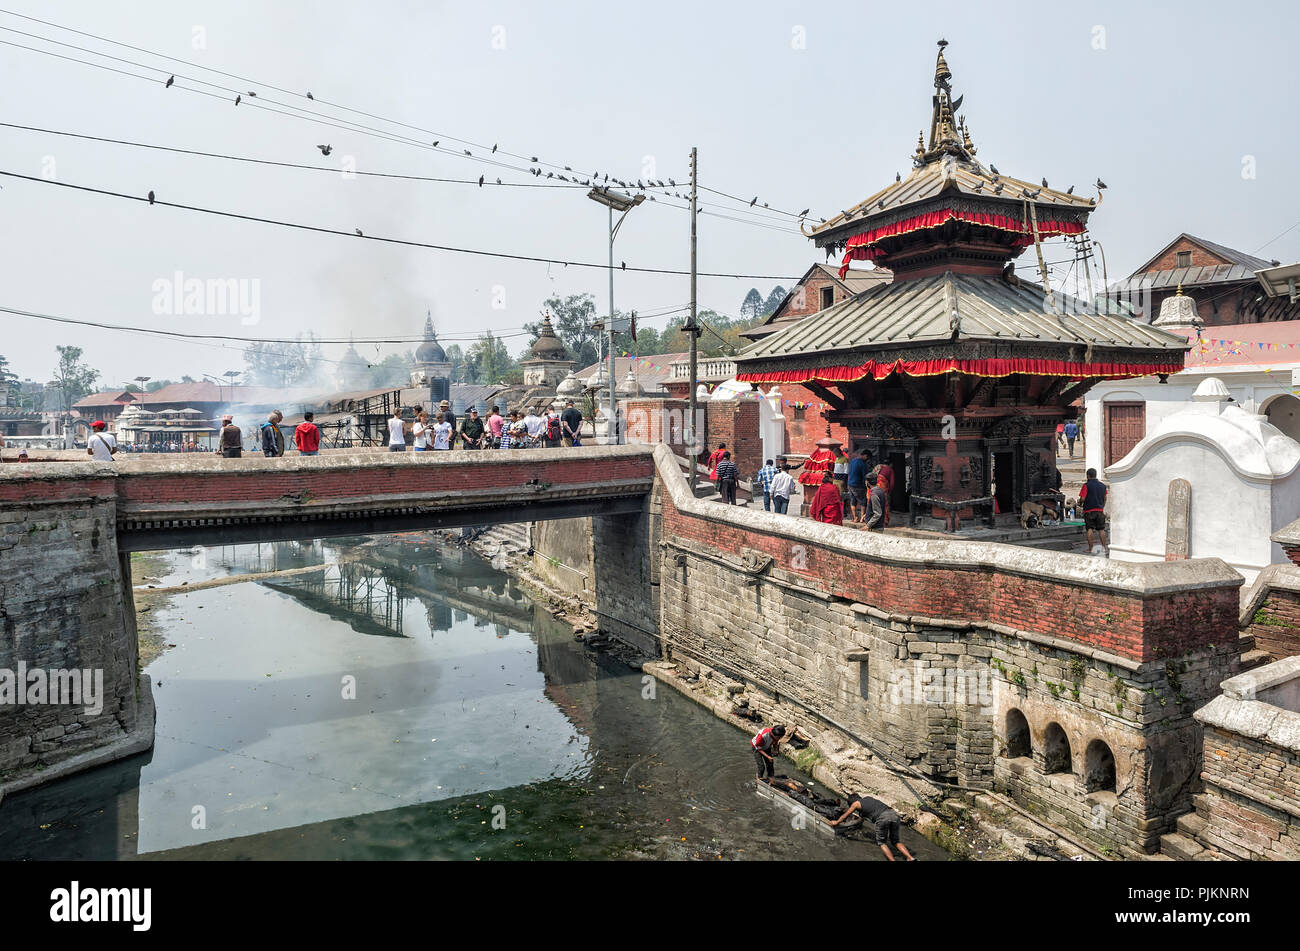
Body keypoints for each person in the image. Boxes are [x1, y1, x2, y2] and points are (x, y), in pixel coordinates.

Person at [828, 794, 915, 861]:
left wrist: (836, 822)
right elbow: (867, 815)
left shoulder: (856, 804)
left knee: (882, 843)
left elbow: (846, 815)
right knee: (895, 841)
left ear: (852, 802)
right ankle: (911, 858)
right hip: (893, 814)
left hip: (883, 818)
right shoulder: (868, 798)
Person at [1080, 467, 1108, 553]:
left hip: (1089, 510)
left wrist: (1080, 502)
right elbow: (1105, 498)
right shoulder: (1103, 486)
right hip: (1099, 510)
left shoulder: (1086, 485)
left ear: (1088, 476)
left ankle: (1090, 548)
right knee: (1101, 529)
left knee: (1090, 529)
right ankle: (1104, 548)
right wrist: (1102, 506)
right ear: (1095, 475)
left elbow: (1083, 498)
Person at [847, 448, 870, 523]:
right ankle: (862, 518)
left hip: (850, 484)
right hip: (858, 485)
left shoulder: (853, 461)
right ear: (865, 456)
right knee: (863, 501)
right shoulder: (862, 464)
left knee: (853, 501)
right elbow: (865, 476)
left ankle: (855, 518)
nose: (868, 459)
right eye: (868, 458)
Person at [874, 460, 895, 526]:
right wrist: (889, 491)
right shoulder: (890, 469)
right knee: (884, 504)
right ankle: (884, 522)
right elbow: (892, 483)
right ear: (890, 464)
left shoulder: (878, 467)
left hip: (873, 488)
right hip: (882, 489)